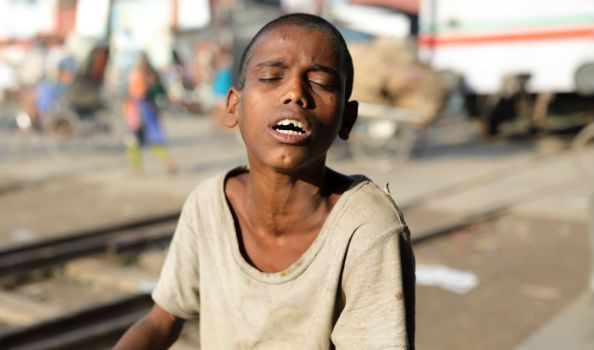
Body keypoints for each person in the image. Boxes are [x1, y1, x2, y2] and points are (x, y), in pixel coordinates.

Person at [114, 14, 415, 349]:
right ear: (234, 107)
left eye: (321, 83)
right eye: (272, 77)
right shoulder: (209, 206)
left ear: (347, 118)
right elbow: (162, 319)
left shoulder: (367, 229)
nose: (295, 93)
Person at [123, 54, 176, 175]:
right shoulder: (151, 76)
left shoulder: (142, 76)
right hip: (145, 109)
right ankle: (166, 162)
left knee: (135, 140)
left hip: (140, 109)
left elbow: (138, 93)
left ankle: (137, 169)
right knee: (149, 139)